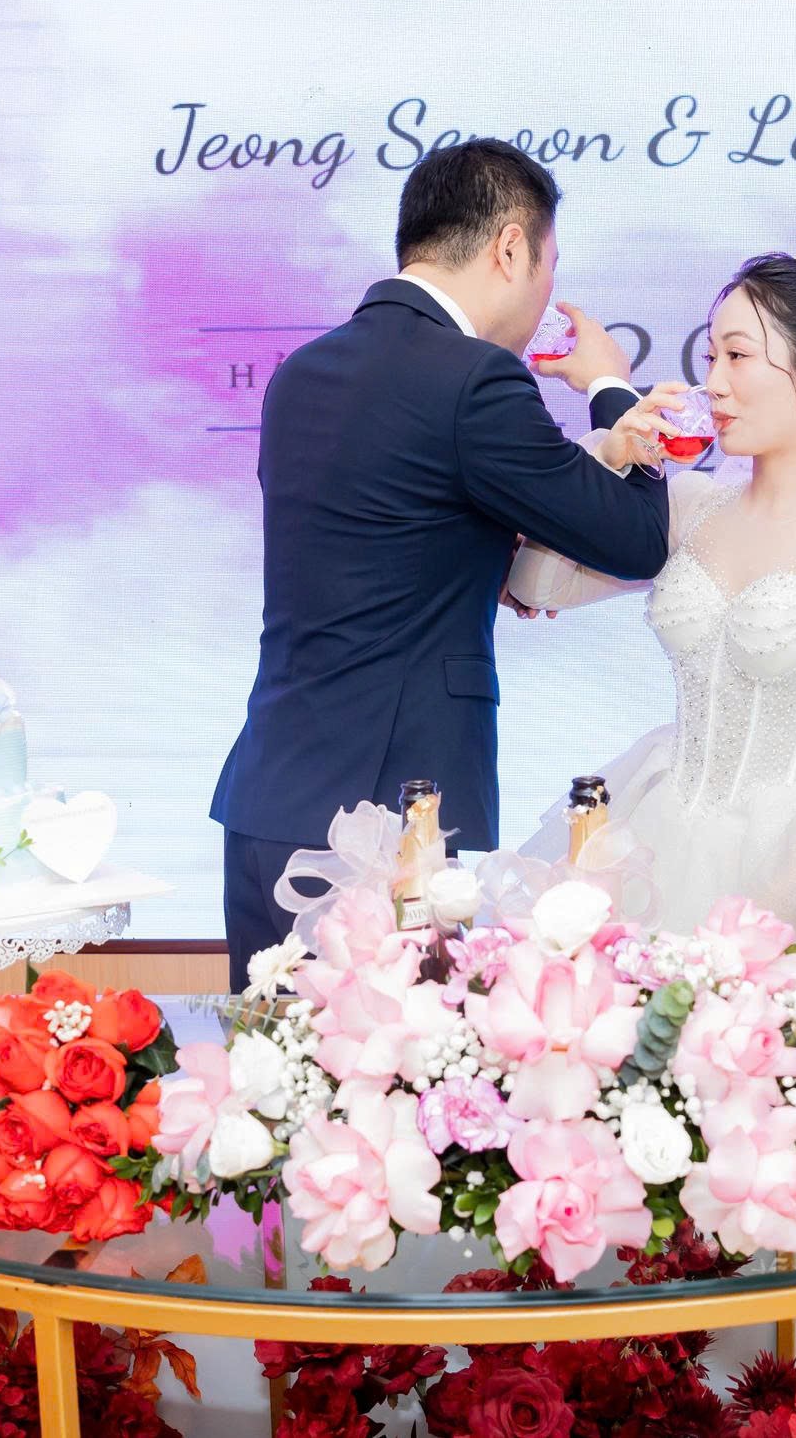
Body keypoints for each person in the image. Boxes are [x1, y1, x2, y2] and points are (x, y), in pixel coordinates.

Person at [211, 139, 681, 982]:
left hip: (265, 802)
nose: (545, 296)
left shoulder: (303, 374)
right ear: (510, 247)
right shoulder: (475, 381)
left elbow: (384, 539)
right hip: (388, 831)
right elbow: (636, 538)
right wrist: (611, 386)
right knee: (392, 1063)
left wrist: (482, 564)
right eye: (549, 267)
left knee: (273, 1058)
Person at [504, 237, 796, 957]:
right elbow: (533, 584)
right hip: (663, 839)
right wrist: (611, 452)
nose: (713, 384)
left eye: (737, 356)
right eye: (710, 357)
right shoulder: (691, 506)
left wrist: (762, 925)